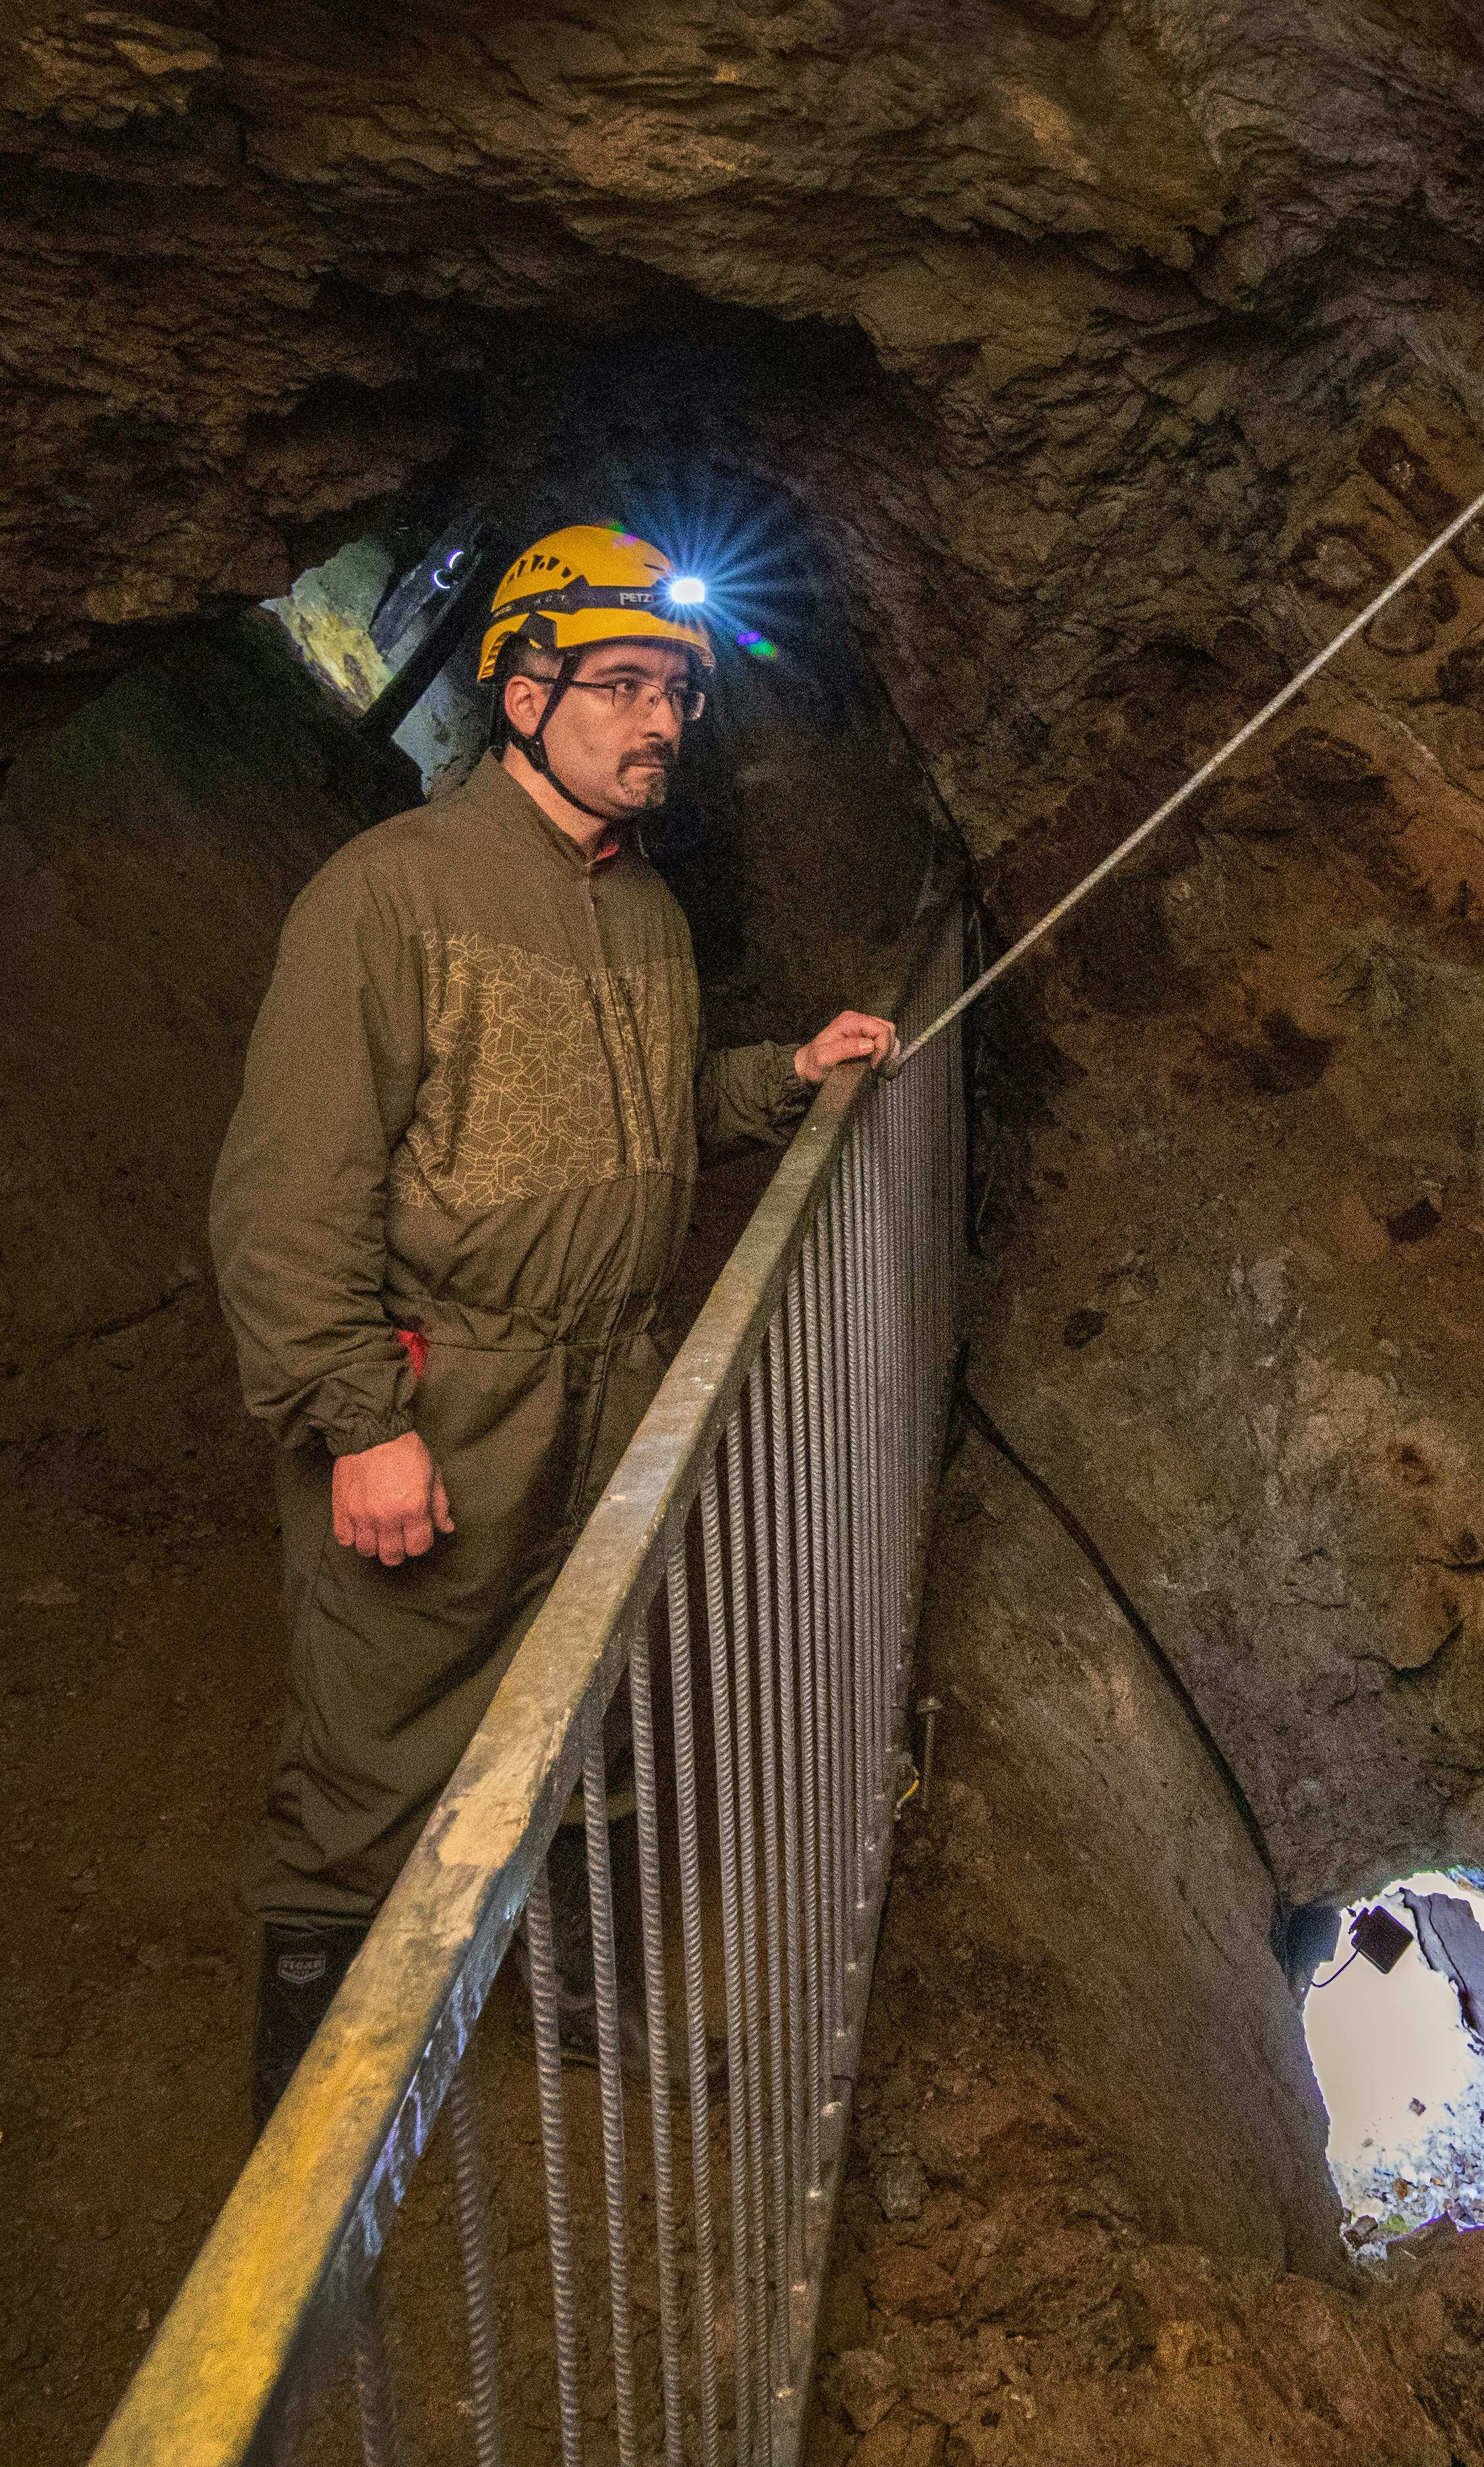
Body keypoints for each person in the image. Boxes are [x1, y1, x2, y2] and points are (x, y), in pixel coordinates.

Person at [212, 522, 896, 2125]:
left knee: (597, 1705)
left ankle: (585, 2018)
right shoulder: (390, 898)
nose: (660, 723)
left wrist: (783, 1077)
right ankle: (302, 2135)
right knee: (376, 1743)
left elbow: (651, 1115)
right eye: (623, 687)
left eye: (680, 695)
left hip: (608, 1383)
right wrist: (359, 1421)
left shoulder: (642, 911)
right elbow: (288, 1195)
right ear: (521, 693)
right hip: (444, 1393)